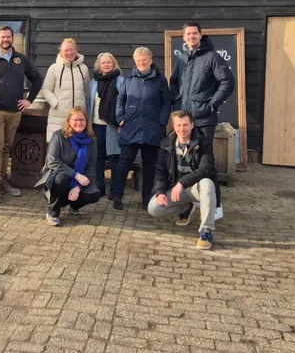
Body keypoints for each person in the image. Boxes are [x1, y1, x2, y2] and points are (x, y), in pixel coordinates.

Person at [0, 25, 44, 203]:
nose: (6, 40)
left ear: (13, 39)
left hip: (15, 112)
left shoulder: (21, 59)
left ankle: (4, 180)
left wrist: (29, 99)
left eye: (8, 37)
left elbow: (37, 79)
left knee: (6, 148)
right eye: (2, 37)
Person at [148, 110, 219, 250]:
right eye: (179, 125)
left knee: (207, 183)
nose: (182, 129)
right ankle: (187, 207)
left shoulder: (204, 142)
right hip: (176, 190)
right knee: (153, 208)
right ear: (173, 126)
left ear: (192, 125)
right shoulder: (165, 144)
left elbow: (206, 169)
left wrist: (182, 183)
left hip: (195, 188)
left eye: (185, 125)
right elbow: (160, 171)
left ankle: (206, 231)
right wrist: (160, 191)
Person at [112, 47, 170, 211]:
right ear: (135, 61)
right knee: (124, 163)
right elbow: (120, 99)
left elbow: (166, 102)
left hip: (152, 128)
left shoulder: (160, 79)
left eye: (144, 59)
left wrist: (162, 121)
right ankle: (117, 196)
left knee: (150, 166)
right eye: (138, 60)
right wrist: (120, 118)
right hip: (130, 127)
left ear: (150, 61)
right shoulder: (129, 78)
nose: (141, 63)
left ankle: (146, 199)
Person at [169, 21, 234, 150]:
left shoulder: (212, 57)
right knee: (184, 153)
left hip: (203, 117)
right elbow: (174, 82)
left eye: (194, 33)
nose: (191, 36)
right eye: (188, 33)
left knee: (204, 153)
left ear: (200, 35)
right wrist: (176, 100)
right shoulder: (182, 59)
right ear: (184, 37)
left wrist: (213, 103)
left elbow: (228, 81)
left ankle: (206, 171)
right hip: (183, 119)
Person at [40, 107, 101, 226]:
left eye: (82, 120)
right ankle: (53, 211)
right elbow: (52, 161)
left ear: (87, 121)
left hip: (78, 179)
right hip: (57, 176)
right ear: (69, 121)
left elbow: (91, 166)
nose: (79, 123)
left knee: (94, 194)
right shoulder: (59, 136)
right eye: (75, 120)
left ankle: (74, 205)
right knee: (62, 179)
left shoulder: (91, 139)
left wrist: (78, 187)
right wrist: (77, 176)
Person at [86, 52, 123, 197]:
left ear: (113, 64)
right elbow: (90, 103)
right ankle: (99, 187)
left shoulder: (120, 81)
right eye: (103, 63)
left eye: (109, 62)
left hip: (113, 125)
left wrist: (121, 122)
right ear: (99, 66)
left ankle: (114, 189)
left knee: (114, 157)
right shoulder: (94, 82)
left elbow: (123, 102)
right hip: (96, 125)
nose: (106, 65)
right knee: (98, 157)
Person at [42, 38, 91, 141]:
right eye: (66, 50)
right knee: (57, 149)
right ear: (61, 52)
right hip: (58, 117)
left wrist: (80, 104)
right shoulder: (54, 68)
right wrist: (56, 103)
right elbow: (46, 89)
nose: (69, 53)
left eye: (71, 50)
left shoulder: (84, 69)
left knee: (76, 151)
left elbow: (86, 89)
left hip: (78, 120)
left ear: (76, 50)